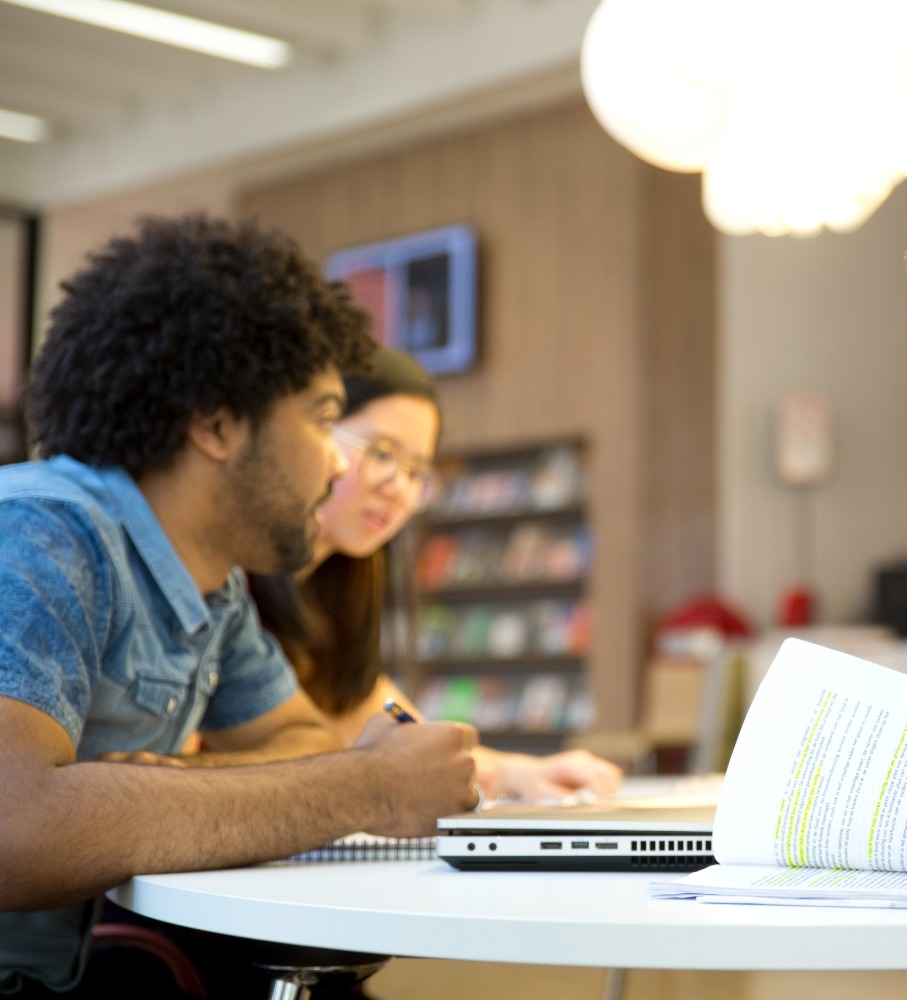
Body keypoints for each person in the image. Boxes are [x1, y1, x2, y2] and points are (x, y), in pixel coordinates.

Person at [0, 215, 479, 998]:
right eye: (324, 418)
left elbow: (299, 735)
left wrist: (150, 792)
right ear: (216, 423)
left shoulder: (212, 586)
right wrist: (370, 789)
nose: (337, 462)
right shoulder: (41, 532)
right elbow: (12, 830)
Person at [246, 344, 621, 802]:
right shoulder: (230, 584)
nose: (399, 488)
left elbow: (405, 741)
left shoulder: (333, 601)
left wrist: (517, 773)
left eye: (417, 472)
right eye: (383, 453)